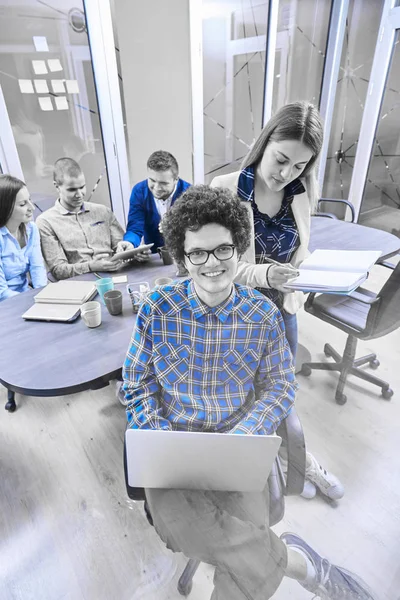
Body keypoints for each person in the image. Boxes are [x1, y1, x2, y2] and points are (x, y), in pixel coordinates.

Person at [121, 185, 375, 600]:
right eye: (197, 253)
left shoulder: (263, 314)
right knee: (230, 544)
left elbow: (279, 386)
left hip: (236, 449)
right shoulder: (157, 307)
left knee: (239, 563)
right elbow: (136, 382)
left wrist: (246, 433)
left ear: (239, 248)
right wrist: (157, 435)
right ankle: (300, 564)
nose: (211, 263)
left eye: (222, 249)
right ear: (183, 257)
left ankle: (293, 562)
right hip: (173, 450)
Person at [211, 101, 343, 501]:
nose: (286, 174)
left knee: (280, 392)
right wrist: (265, 275)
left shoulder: (303, 192)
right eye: (281, 160)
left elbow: (300, 249)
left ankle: (297, 459)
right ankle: (265, 465)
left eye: (299, 166)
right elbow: (216, 266)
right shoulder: (227, 190)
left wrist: (302, 272)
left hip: (282, 310)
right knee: (243, 398)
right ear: (264, 142)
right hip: (237, 313)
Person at [36, 158, 124, 280]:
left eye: (82, 187)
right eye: (72, 190)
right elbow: (58, 270)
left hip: (117, 275)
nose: (79, 194)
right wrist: (91, 266)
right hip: (79, 283)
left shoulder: (103, 211)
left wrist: (131, 251)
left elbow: (121, 246)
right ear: (57, 186)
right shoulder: (46, 222)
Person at [117, 150, 190, 260]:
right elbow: (135, 227)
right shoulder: (139, 191)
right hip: (154, 258)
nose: (156, 188)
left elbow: (195, 230)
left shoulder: (189, 193)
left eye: (163, 183)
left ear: (176, 180)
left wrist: (174, 225)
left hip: (185, 255)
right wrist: (130, 244)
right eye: (152, 180)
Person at [0, 174, 47, 302]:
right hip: (6, 304)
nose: (31, 207)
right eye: (22, 204)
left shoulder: (31, 229)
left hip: (27, 296)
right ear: (5, 208)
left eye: (30, 200)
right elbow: (2, 292)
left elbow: (37, 268)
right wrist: (31, 301)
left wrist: (43, 297)